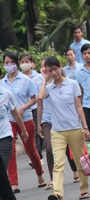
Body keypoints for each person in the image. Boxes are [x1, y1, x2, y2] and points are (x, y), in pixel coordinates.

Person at [38, 56, 90, 200]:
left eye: (55, 69)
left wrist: (85, 127)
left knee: (80, 162)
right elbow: (40, 97)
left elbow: (79, 107)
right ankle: (58, 193)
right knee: (58, 163)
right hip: (57, 132)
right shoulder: (49, 87)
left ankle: (84, 189)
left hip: (74, 129)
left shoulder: (73, 84)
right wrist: (44, 79)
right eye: (50, 71)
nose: (53, 73)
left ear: (60, 67)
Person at [0, 52, 46, 193]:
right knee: (11, 151)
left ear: (16, 63)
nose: (8, 65)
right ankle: (13, 182)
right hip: (8, 121)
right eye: (6, 63)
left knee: (31, 149)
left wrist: (23, 107)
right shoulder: (2, 82)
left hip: (25, 118)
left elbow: (34, 98)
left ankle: (40, 174)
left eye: (11, 62)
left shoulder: (25, 80)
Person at [20, 53, 44, 167]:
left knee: (35, 132)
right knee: (28, 134)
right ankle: (35, 156)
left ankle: (37, 156)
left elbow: (40, 94)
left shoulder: (39, 77)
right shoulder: (18, 78)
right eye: (22, 62)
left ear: (32, 64)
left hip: (35, 107)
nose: (24, 64)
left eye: (27, 62)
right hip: (22, 109)